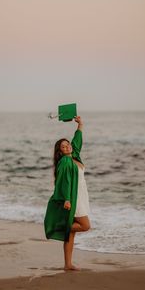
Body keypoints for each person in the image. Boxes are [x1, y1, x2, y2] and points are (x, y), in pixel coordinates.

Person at [44, 116, 91, 271]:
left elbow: (77, 141)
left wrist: (80, 125)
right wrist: (67, 199)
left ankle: (68, 264)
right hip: (73, 198)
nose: (67, 147)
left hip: (81, 196)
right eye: (63, 147)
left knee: (71, 234)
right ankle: (62, 226)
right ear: (60, 151)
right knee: (85, 226)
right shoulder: (65, 162)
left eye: (68, 144)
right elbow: (64, 182)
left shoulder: (75, 156)